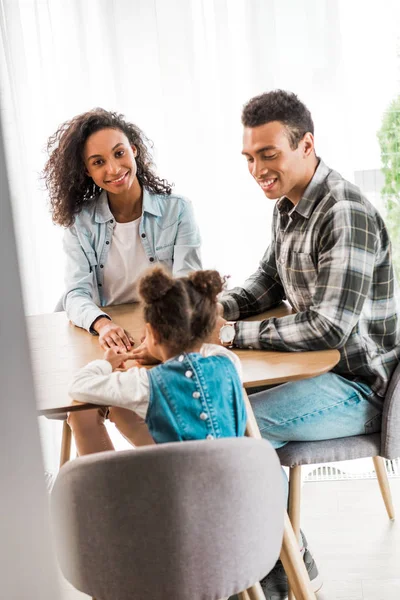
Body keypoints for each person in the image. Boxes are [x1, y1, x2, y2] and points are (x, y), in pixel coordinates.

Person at [217, 90, 400, 599]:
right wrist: (217, 310)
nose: (257, 169)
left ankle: (287, 568)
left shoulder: (344, 212)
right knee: (229, 414)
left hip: (361, 388)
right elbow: (267, 280)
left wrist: (231, 335)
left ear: (306, 145)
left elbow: (327, 329)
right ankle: (266, 555)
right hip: (318, 375)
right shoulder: (287, 205)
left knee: (240, 432)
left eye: (268, 155)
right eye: (250, 158)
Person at [44, 108, 201, 352]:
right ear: (87, 170)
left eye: (119, 153)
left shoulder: (178, 210)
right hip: (101, 335)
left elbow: (187, 282)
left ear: (133, 150)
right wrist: (103, 325)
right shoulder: (80, 223)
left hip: (161, 327)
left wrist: (163, 326)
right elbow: (75, 294)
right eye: (98, 162)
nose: (114, 169)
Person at [67, 266, 246, 453]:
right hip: (237, 476)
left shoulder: (145, 383)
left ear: (152, 333)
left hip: (179, 482)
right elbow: (205, 348)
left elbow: (78, 385)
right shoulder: (228, 360)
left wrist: (106, 363)